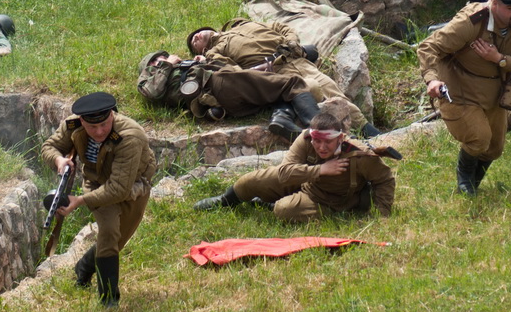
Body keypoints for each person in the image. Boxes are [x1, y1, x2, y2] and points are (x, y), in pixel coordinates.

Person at [417, 0, 511, 195]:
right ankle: (464, 182)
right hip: (459, 87)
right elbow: (428, 47)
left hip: (495, 90)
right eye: (510, 9)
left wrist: (499, 59)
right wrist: (432, 80)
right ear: (494, 4)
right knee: (478, 138)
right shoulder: (471, 21)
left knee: (494, 147)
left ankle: (474, 183)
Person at [40, 92, 156, 308]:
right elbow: (49, 146)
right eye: (93, 127)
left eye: (104, 124)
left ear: (112, 114)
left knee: (118, 241)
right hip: (97, 183)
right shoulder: (72, 126)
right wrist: (58, 160)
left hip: (134, 186)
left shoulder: (130, 136)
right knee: (110, 233)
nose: (99, 131)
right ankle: (109, 298)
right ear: (82, 121)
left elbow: (120, 189)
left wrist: (80, 201)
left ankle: (84, 266)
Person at [186, 19, 380, 137]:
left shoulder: (244, 24)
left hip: (296, 59)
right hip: (279, 75)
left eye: (196, 33)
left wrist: (291, 42)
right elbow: (232, 72)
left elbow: (281, 27)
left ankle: (364, 128)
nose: (195, 36)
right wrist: (258, 74)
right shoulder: (214, 51)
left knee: (330, 87)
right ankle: (362, 131)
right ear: (201, 50)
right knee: (320, 94)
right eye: (193, 42)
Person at [193, 110, 397, 222]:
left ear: (340, 138)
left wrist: (382, 214)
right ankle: (224, 201)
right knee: (252, 179)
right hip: (303, 180)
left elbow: (384, 179)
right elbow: (284, 172)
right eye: (317, 141)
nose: (321, 147)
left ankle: (271, 204)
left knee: (284, 210)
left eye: (328, 142)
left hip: (329, 200)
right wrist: (320, 169)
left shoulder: (359, 154)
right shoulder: (305, 139)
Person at [137, 50, 321, 140]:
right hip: (219, 85)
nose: (159, 60)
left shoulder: (174, 71)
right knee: (292, 83)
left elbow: (232, 66)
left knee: (276, 93)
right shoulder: (150, 78)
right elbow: (152, 93)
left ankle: (282, 119)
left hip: (224, 96)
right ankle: (321, 131)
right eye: (153, 61)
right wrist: (167, 64)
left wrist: (202, 61)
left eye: (161, 56)